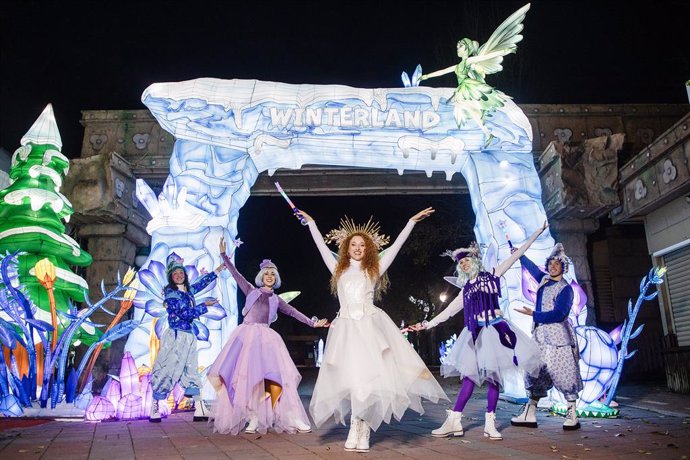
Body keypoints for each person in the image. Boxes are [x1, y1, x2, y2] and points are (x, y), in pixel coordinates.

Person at [297, 207, 448, 453]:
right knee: (353, 379)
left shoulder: (374, 269)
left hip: (369, 328)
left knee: (368, 381)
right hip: (345, 330)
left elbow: (397, 247)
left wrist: (410, 222)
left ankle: (363, 428)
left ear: (368, 249)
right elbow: (321, 248)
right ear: (346, 248)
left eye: (362, 245)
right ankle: (355, 426)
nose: (357, 248)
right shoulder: (339, 269)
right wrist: (312, 223)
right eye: (353, 244)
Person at [409, 222, 548, 440]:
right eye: (460, 263)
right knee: (469, 379)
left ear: (475, 261)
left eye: (466, 261)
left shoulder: (492, 274)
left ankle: (489, 423)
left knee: (494, 379)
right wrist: (427, 324)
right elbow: (448, 312)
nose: (464, 265)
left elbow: (516, 255)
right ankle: (454, 420)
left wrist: (537, 232)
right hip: (476, 334)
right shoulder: (465, 290)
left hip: (496, 330)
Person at [207, 240, 328, 435]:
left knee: (275, 377)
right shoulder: (250, 290)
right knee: (245, 377)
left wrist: (313, 323)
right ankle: (253, 416)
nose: (270, 276)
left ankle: (289, 415)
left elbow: (294, 312)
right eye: (267, 273)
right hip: (246, 338)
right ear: (261, 276)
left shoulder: (276, 299)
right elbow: (235, 274)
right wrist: (223, 256)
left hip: (266, 340)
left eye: (273, 274)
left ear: (276, 278)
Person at [511, 243, 583, 431]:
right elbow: (532, 269)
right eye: (550, 263)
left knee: (564, 373)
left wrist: (533, 314)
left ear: (563, 267)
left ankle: (572, 414)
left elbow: (559, 314)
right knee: (534, 372)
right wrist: (519, 254)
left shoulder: (565, 289)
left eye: (556, 264)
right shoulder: (544, 280)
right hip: (540, 338)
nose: (552, 267)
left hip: (559, 338)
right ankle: (530, 413)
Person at [149, 249, 225, 423]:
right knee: (167, 369)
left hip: (188, 337)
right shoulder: (171, 295)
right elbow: (185, 313)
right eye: (175, 273)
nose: (178, 275)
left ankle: (199, 409)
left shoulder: (187, 291)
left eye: (181, 272)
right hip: (175, 337)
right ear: (170, 277)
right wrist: (204, 305)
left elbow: (201, 283)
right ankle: (154, 406)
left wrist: (218, 270)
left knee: (191, 370)